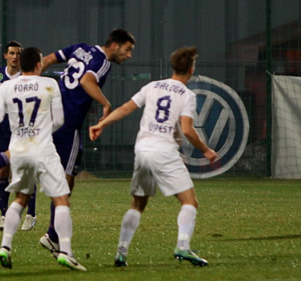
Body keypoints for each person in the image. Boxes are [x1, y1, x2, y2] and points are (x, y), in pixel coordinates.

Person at [89, 46, 217, 267]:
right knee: (189, 202)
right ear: (191, 69)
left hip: (142, 150)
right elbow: (187, 130)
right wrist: (206, 150)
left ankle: (121, 251)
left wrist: (101, 124)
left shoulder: (151, 86)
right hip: (164, 150)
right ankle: (183, 247)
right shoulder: (187, 95)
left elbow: (126, 108)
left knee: (137, 204)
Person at [38, 28, 135, 257]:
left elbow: (48, 60)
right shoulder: (103, 61)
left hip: (49, 114)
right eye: (127, 50)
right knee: (66, 181)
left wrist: (30, 81)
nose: (129, 55)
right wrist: (105, 103)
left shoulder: (79, 47)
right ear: (114, 45)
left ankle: (50, 234)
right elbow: (87, 80)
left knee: (56, 177)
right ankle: (54, 237)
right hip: (68, 123)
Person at [0, 47, 86, 271]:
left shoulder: (6, 86)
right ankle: (65, 251)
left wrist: (15, 122)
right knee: (61, 199)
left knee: (20, 198)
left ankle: (5, 246)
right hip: (43, 148)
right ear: (39, 64)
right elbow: (60, 120)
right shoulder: (50, 84)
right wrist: (40, 130)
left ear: (21, 63)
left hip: (19, 149)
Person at [0, 41, 37, 231]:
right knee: (2, 172)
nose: (14, 57)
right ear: (5, 55)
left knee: (24, 172)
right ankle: (3, 216)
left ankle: (30, 215)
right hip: (3, 132)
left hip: (23, 132)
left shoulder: (28, 76)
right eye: (11, 53)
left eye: (18, 53)